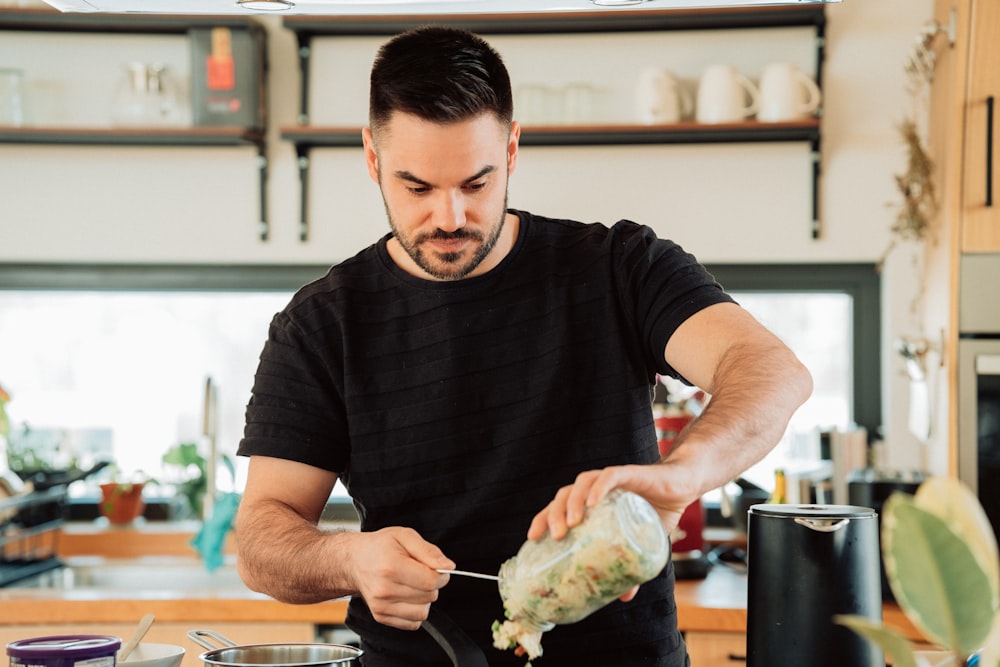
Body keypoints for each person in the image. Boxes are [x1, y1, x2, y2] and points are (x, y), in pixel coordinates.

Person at [234, 25, 812, 667]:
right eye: (417, 188)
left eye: (475, 184)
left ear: (511, 149)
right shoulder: (321, 325)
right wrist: (348, 557)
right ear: (372, 158)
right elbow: (262, 541)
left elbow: (771, 371)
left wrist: (683, 475)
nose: (449, 216)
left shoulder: (620, 267)